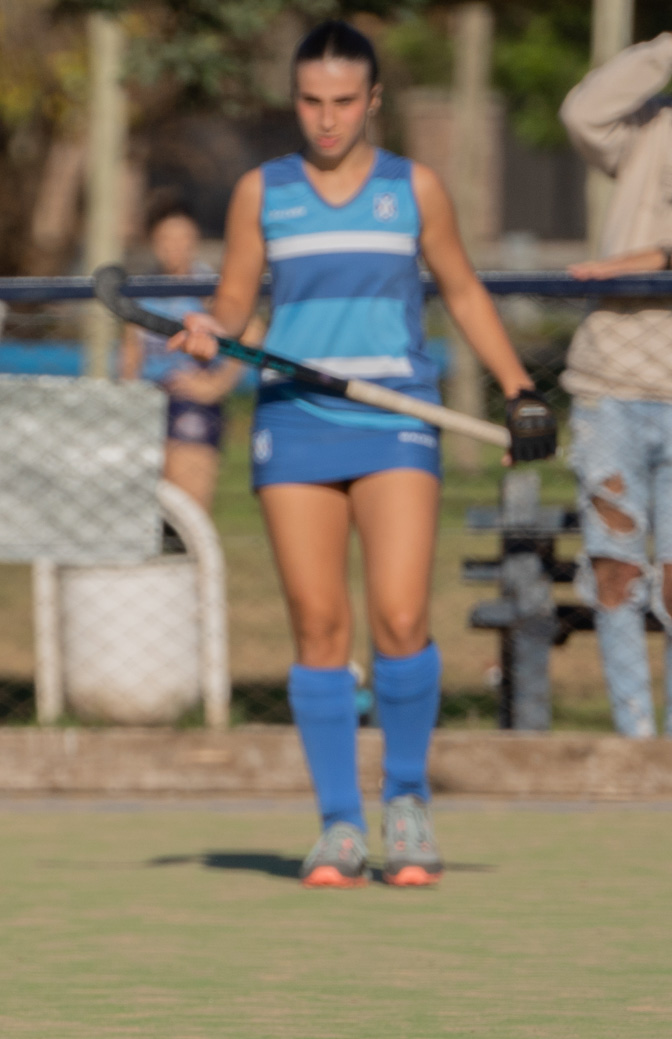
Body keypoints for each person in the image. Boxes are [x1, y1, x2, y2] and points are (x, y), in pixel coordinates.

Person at [171, 21, 553, 888]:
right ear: (295, 100)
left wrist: (520, 388)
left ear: (373, 100)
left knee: (401, 618)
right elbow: (233, 305)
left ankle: (407, 804)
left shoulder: (413, 189)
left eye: (345, 101)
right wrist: (210, 332)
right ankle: (340, 824)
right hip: (295, 421)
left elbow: (461, 287)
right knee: (319, 627)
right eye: (312, 101)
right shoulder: (261, 192)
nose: (328, 119)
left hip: (395, 416)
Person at [559, 34, 672, 737]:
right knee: (615, 573)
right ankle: (636, 739)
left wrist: (645, 259)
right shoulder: (650, 129)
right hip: (610, 381)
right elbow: (583, 113)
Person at [118, 197, 249, 513]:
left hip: (190, 404)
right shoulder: (142, 289)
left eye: (183, 239)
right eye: (166, 239)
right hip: (148, 403)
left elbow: (251, 334)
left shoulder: (208, 287)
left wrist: (217, 384)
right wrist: (126, 400)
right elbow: (132, 352)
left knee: (185, 513)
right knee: (142, 512)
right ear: (153, 243)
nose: (174, 247)